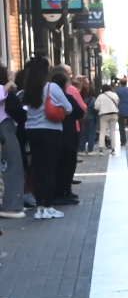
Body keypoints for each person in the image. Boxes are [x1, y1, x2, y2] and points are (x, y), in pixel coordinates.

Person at [19, 58, 68, 220]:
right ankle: (48, 206)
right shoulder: (51, 87)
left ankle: (40, 207)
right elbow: (68, 107)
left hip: (32, 132)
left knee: (38, 169)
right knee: (50, 169)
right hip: (51, 132)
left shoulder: (28, 89)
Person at [54, 70, 84, 205]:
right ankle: (64, 192)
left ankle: (62, 192)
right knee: (68, 164)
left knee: (59, 164)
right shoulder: (67, 98)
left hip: (55, 135)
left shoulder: (50, 98)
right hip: (69, 134)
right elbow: (79, 112)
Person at [0, 66, 26, 219]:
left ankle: (10, 203)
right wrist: (5, 89)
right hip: (5, 128)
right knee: (13, 166)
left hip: (6, 128)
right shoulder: (4, 89)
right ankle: (11, 205)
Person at [95, 83, 120, 152]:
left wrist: (102, 108)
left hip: (104, 115)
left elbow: (96, 106)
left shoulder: (100, 96)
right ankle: (113, 148)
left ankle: (101, 148)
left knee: (103, 131)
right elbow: (117, 103)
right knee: (112, 131)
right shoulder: (114, 95)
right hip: (114, 114)